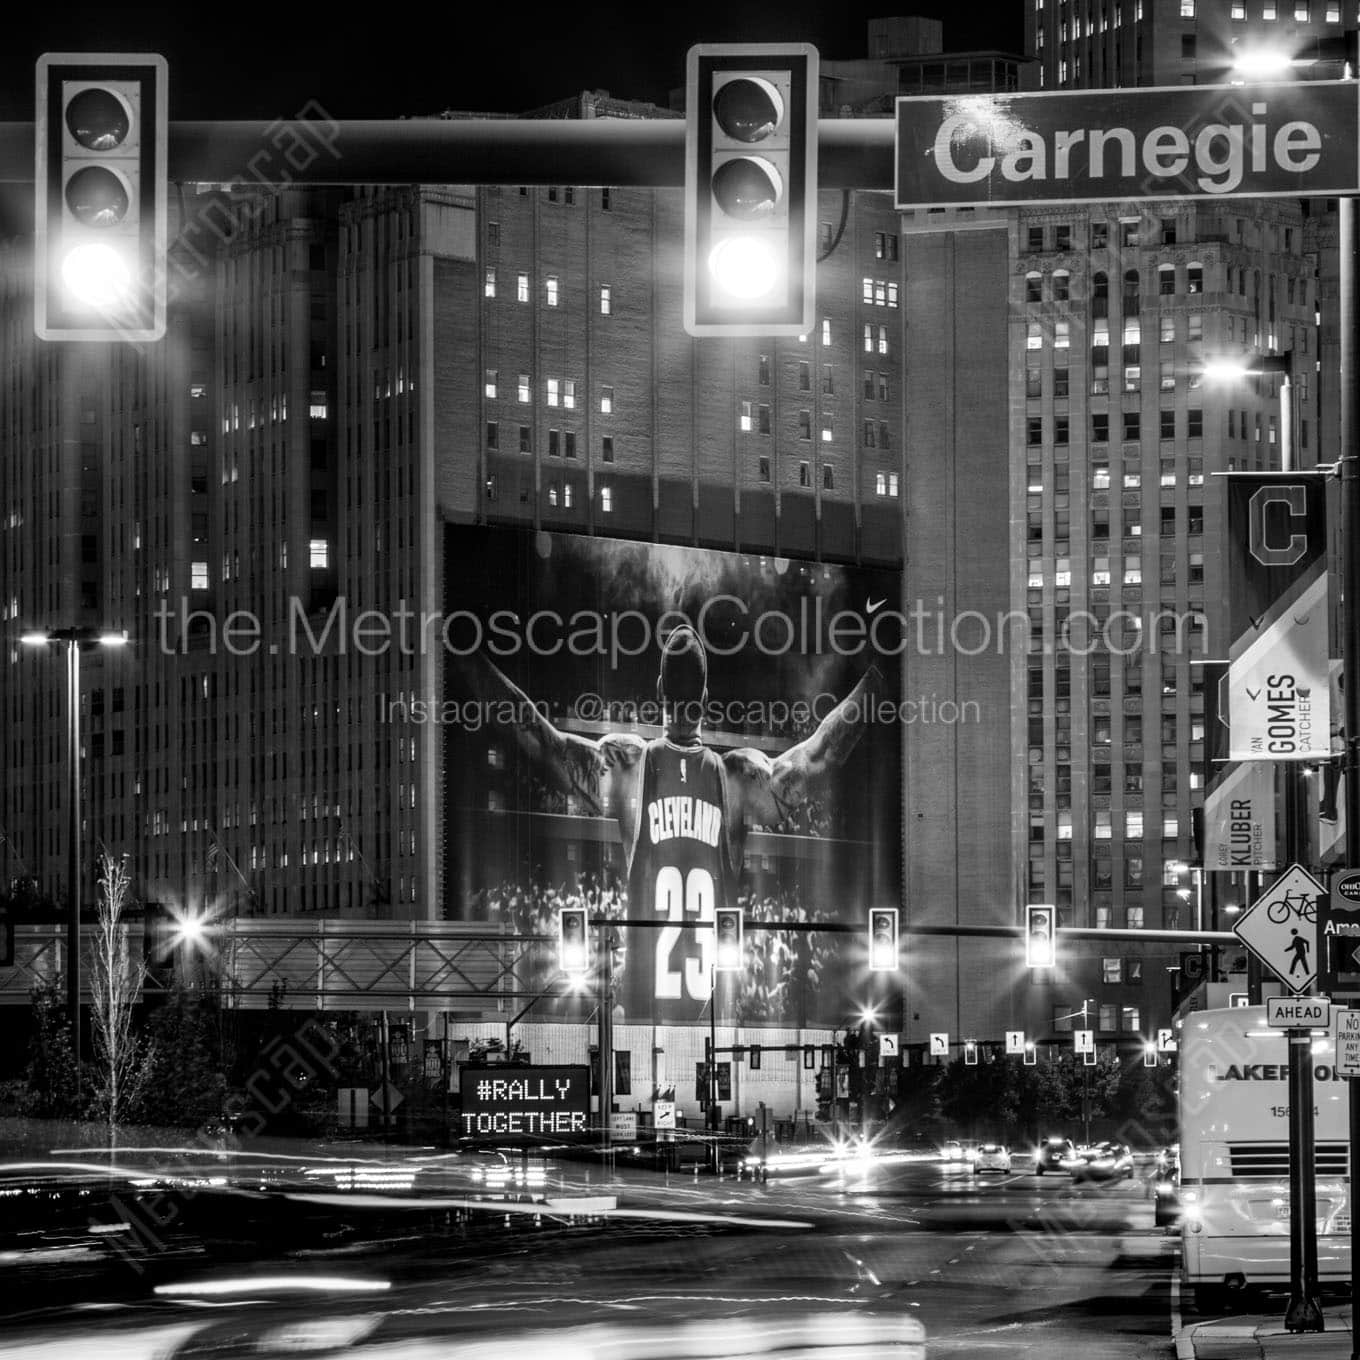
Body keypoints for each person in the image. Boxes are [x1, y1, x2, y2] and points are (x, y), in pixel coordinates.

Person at [460, 624, 882, 1010]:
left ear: (659, 689)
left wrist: (466, 653)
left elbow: (537, 737)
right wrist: (880, 678)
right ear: (704, 697)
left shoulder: (626, 767)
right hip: (715, 1023)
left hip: (642, 1012)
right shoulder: (739, 778)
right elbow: (819, 756)